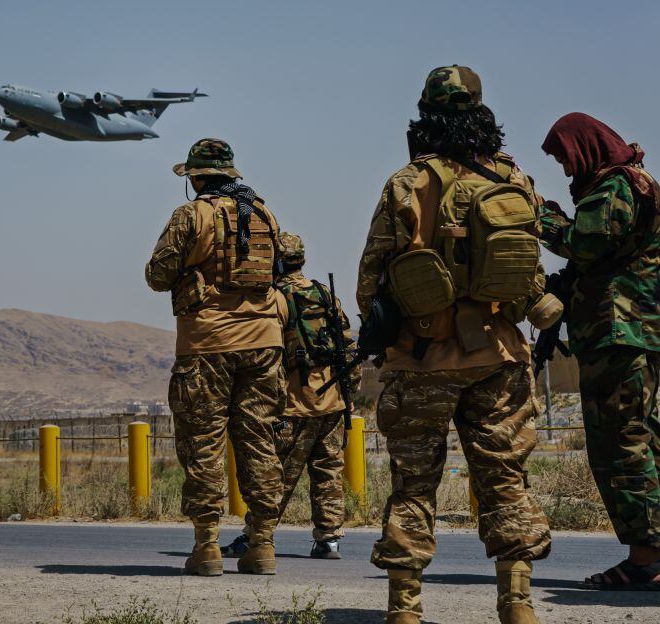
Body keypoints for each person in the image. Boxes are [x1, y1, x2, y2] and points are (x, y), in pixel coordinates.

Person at [356, 66, 552, 624]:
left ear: (424, 114)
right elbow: (531, 268)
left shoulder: (406, 182)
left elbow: (372, 275)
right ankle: (516, 605)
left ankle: (405, 608)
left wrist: (377, 338)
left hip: (421, 357)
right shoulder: (515, 179)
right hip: (500, 354)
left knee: (413, 484)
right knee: (505, 479)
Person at [145, 138, 285, 576]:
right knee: (260, 443)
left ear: (196, 177)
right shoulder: (265, 213)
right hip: (264, 343)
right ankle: (262, 546)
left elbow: (158, 274)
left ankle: (207, 547)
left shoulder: (190, 215)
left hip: (207, 344)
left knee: (203, 445)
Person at [538, 112, 660, 591]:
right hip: (626, 334)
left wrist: (539, 214)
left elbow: (585, 241)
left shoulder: (618, 187)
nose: (568, 172)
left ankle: (645, 559)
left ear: (586, 146)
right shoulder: (635, 181)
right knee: (640, 440)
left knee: (622, 446)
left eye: (567, 159)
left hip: (620, 334)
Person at [221, 232, 358, 560]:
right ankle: (329, 540)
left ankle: (257, 534)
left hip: (293, 405)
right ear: (303, 260)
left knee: (276, 474)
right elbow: (347, 347)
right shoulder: (324, 295)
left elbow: (263, 356)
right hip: (332, 401)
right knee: (328, 473)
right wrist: (348, 393)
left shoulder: (273, 299)